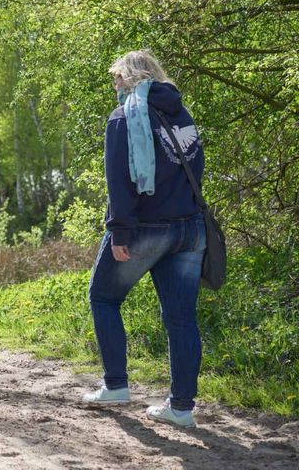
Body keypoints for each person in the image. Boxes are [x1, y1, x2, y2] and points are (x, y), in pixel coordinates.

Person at [82, 50, 206, 428]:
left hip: (145, 228)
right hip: (190, 228)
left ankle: (116, 385)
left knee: (103, 297)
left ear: (131, 78)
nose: (114, 87)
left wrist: (121, 229)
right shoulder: (183, 115)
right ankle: (181, 408)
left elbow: (119, 181)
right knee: (181, 318)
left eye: (117, 79)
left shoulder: (124, 118)